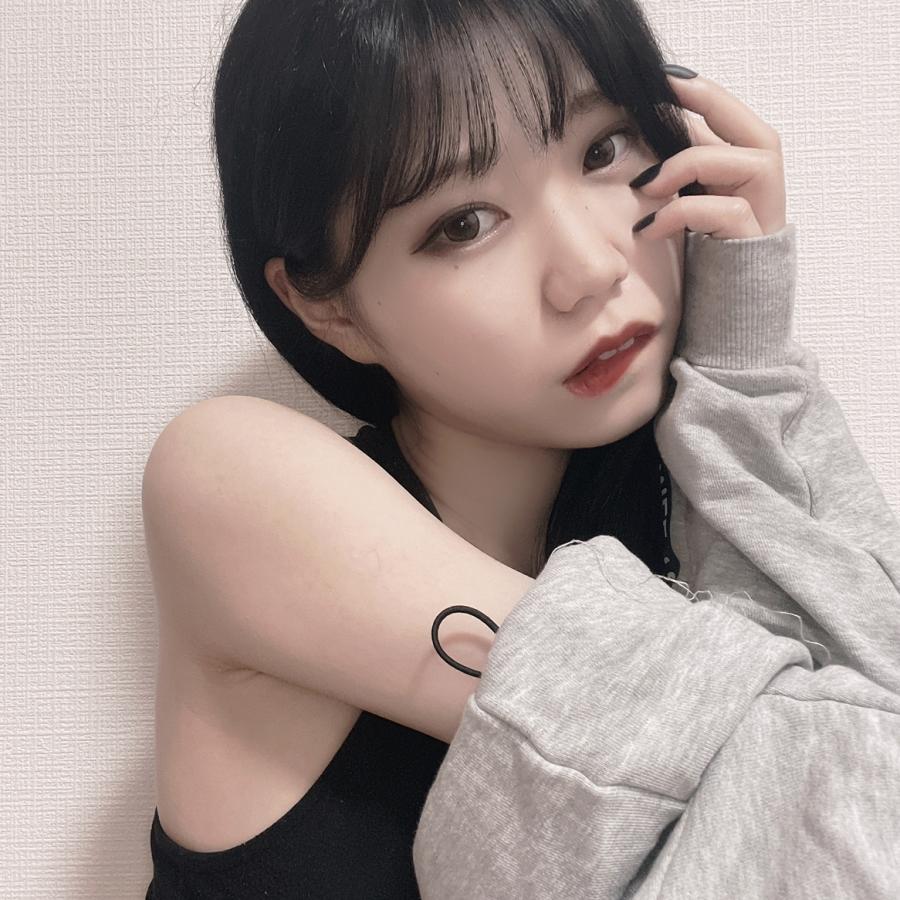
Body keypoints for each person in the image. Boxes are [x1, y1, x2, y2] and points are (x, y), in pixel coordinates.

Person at [141, 0, 900, 897]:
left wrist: (745, 361)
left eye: (603, 149)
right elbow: (840, 789)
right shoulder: (229, 485)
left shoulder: (687, 496)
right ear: (327, 306)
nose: (590, 270)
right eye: (464, 224)